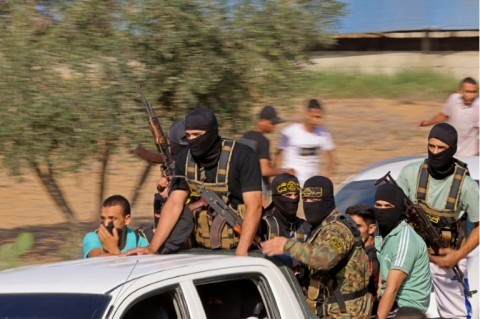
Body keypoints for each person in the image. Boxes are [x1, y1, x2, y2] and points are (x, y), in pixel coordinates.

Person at [125, 108, 263, 256]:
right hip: (201, 249)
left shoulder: (242, 155)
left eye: (197, 135)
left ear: (211, 132)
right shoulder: (185, 159)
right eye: (188, 135)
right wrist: (152, 248)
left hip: (243, 247)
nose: (192, 140)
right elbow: (174, 204)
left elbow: (254, 206)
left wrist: (241, 252)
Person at [396, 123, 479, 319]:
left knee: (455, 315)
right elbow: (393, 212)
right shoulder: (410, 174)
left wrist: (458, 255)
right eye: (430, 146)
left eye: (441, 148)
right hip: (411, 258)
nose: (434, 152)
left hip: (445, 261)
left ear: (452, 149)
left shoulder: (465, 185)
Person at [261, 176, 372, 318]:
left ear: (327, 201)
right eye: (305, 200)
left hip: (345, 313)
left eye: (314, 200)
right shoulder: (321, 227)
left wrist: (286, 245)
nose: (308, 205)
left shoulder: (337, 230)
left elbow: (325, 259)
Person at [373, 184, 431, 318]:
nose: (382, 210)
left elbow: (392, 289)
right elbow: (383, 276)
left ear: (398, 209)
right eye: (378, 205)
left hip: (406, 308)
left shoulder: (405, 239)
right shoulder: (385, 233)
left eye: (388, 206)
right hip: (390, 301)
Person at [137, 119, 194, 253]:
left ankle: (161, 247)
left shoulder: (193, 163)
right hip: (175, 206)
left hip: (188, 212)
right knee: (159, 199)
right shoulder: (177, 161)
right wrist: (165, 183)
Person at [240, 105, 293, 206]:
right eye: (272, 123)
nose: (274, 126)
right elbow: (264, 171)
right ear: (262, 121)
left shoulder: (245, 136)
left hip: (242, 188)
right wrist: (285, 172)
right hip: (258, 190)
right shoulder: (263, 141)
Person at [275, 99, 336, 186]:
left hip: (311, 184)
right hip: (291, 183)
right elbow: (277, 154)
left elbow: (331, 158)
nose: (318, 121)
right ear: (306, 114)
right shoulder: (290, 131)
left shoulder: (323, 133)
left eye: (319, 117)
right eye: (315, 117)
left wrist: (327, 177)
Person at [419, 77, 479, 156]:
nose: (471, 95)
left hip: (469, 154)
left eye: (474, 92)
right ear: (460, 90)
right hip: (450, 150)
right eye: (468, 92)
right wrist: (429, 122)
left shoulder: (478, 105)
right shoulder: (453, 99)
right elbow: (444, 115)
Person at [82, 195, 149, 258]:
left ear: (127, 219)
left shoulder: (138, 240)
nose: (106, 224)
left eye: (112, 218)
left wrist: (113, 249)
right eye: (103, 218)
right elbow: (97, 258)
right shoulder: (93, 237)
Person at [346, 204, 379, 318]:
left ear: (371, 228)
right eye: (350, 226)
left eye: (358, 226)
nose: (353, 231)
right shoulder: (353, 250)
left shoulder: (376, 255)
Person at [260, 173, 310, 242]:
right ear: (277, 197)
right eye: (288, 195)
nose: (293, 198)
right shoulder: (263, 225)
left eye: (296, 194)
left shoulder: (304, 227)